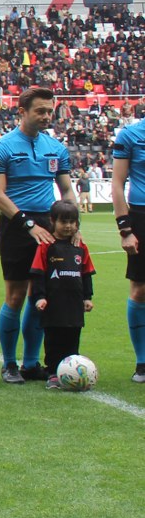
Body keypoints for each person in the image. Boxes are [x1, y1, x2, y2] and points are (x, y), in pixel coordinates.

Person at [0, 86, 77, 383]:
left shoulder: (56, 148)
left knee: (40, 295)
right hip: (16, 224)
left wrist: (73, 224)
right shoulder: (2, 147)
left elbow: (66, 189)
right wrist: (28, 225)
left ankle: (30, 362)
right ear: (22, 111)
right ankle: (9, 364)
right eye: (40, 111)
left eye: (49, 111)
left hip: (48, 226)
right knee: (15, 296)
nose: (46, 116)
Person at [29, 202, 96, 390]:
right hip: (53, 303)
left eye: (72, 222)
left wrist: (87, 297)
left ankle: (72, 373)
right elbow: (38, 273)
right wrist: (40, 297)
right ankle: (52, 372)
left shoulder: (80, 246)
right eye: (63, 222)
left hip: (74, 303)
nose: (68, 226)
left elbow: (87, 273)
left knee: (73, 338)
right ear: (53, 221)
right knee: (53, 339)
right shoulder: (46, 246)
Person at [111, 108, 145, 383]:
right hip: (140, 215)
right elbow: (117, 182)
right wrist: (125, 229)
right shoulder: (131, 135)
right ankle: (142, 362)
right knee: (140, 289)